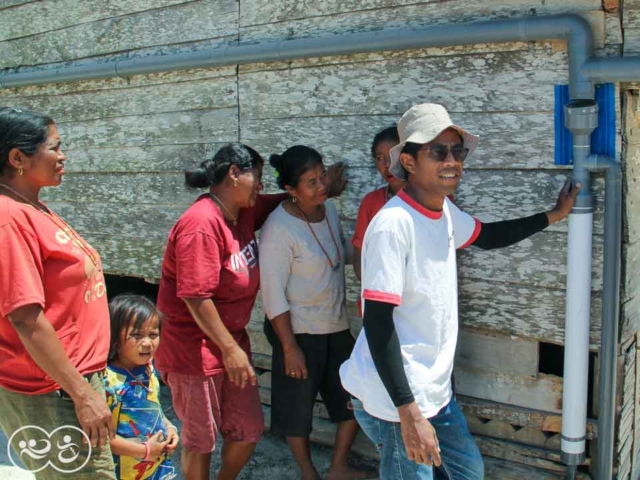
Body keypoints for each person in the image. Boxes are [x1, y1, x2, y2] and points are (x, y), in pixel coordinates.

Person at [339, 103, 580, 480]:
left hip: (434, 392)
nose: (452, 160)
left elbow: (489, 236)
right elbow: (378, 322)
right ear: (409, 161)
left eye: (457, 151)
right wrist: (408, 412)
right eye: (438, 151)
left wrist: (554, 215)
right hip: (396, 398)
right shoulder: (393, 225)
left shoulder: (444, 211)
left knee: (468, 471)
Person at [154, 143, 346, 480]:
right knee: (201, 440)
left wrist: (323, 188)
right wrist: (229, 350)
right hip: (193, 351)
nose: (261, 185)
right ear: (233, 174)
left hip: (231, 344)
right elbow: (196, 296)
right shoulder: (201, 224)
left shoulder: (242, 212)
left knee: (248, 429)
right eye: (257, 177)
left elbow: (289, 199)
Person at [0, 107, 115, 478]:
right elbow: (24, 317)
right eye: (55, 147)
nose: (63, 156)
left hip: (69, 382)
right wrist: (81, 394)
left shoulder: (31, 207)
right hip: (52, 393)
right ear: (17, 158)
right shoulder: (8, 218)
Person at [259, 146, 370, 480]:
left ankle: (338, 467)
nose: (322, 185)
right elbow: (273, 293)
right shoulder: (278, 229)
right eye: (311, 181)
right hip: (299, 332)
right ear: (291, 190)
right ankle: (309, 473)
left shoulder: (328, 210)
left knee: (353, 399)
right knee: (297, 410)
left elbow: (341, 252)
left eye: (322, 175)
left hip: (335, 326)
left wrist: (371, 243)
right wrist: (290, 348)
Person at [104, 294, 179, 480]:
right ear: (115, 338)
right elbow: (99, 438)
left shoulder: (149, 370)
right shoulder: (108, 381)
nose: (147, 343)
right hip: (123, 471)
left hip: (157, 468)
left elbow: (155, 408)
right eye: (136, 335)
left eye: (153, 335)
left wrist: (170, 429)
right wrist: (144, 450)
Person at [352, 126, 404, 281]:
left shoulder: (433, 199)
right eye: (380, 158)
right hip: (380, 297)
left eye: (392, 156)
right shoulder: (372, 203)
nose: (386, 164)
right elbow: (360, 258)